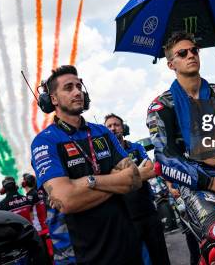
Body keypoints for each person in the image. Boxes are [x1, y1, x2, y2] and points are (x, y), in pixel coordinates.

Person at [31, 65, 142, 265]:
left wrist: (89, 181)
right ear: (53, 99)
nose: (77, 92)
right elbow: (65, 200)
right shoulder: (45, 141)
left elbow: (134, 179)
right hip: (84, 254)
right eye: (68, 88)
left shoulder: (102, 131)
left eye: (79, 86)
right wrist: (116, 183)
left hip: (127, 244)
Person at [147, 31, 215, 265]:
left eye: (194, 50)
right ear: (171, 64)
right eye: (182, 53)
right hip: (199, 182)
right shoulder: (161, 106)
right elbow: (165, 159)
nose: (191, 55)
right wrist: (212, 183)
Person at [105, 113, 170, 265]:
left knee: (161, 257)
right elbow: (108, 182)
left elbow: (151, 170)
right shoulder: (105, 155)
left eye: (116, 125)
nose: (113, 128)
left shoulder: (136, 147)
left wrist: (120, 179)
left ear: (123, 128)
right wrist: (134, 174)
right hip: (125, 218)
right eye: (109, 126)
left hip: (148, 212)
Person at [21, 173, 52, 259]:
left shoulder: (30, 195)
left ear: (25, 184)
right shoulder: (38, 192)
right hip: (44, 225)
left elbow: (30, 214)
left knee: (42, 253)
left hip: (38, 228)